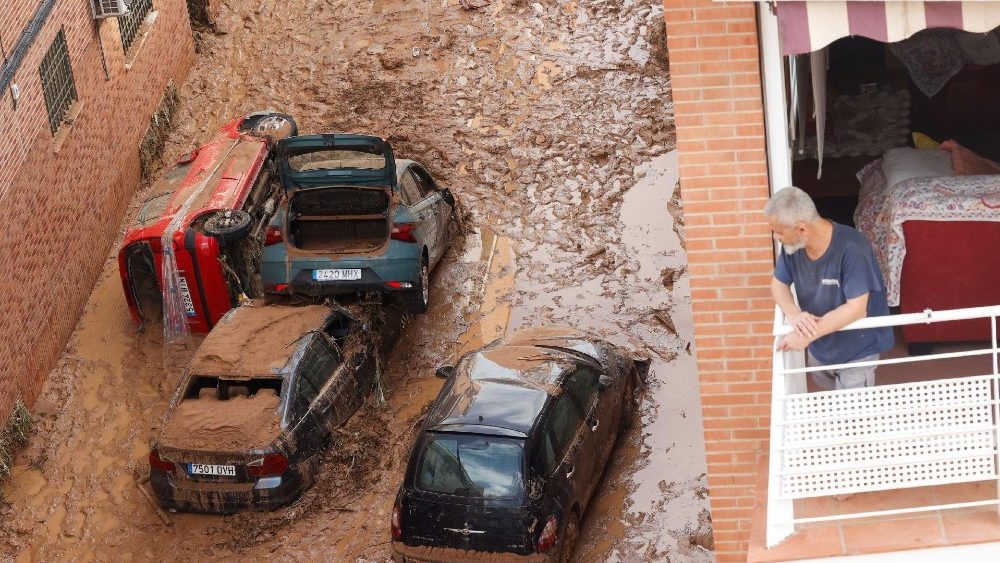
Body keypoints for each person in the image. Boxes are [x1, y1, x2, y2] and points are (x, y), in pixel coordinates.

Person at [765, 186, 893, 390]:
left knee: (852, 420)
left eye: (779, 232)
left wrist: (805, 335)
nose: (775, 237)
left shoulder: (853, 248)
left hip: (857, 351)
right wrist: (793, 313)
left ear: (802, 229)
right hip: (821, 349)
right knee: (831, 413)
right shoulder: (792, 248)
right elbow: (778, 283)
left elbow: (856, 309)